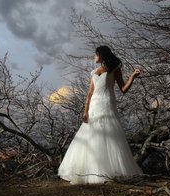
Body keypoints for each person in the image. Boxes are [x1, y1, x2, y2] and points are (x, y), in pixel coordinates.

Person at [57, 45, 144, 184]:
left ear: (101, 55)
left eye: (95, 55)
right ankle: (88, 172)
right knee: (91, 135)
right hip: (94, 107)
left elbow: (123, 89)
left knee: (109, 136)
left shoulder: (115, 69)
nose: (94, 57)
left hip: (107, 105)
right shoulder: (94, 72)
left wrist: (133, 76)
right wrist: (85, 111)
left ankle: (109, 172)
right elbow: (90, 93)